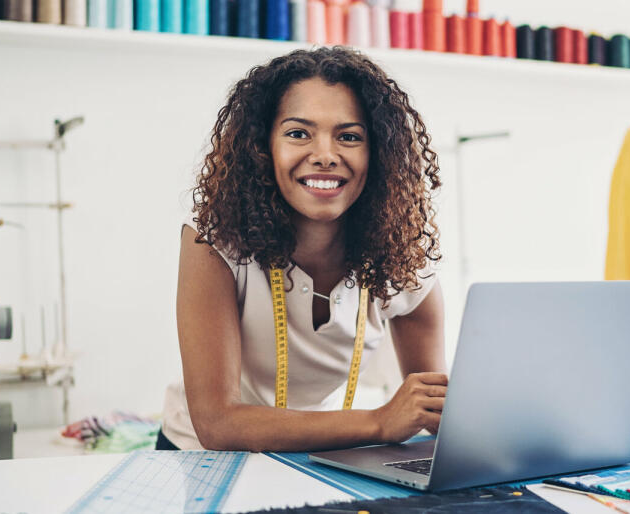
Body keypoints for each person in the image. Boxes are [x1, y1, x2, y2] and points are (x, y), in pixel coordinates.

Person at [159, 47, 447, 452]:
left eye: (349, 136)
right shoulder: (213, 240)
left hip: (315, 451)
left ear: (377, 153)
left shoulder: (399, 260)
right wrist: (379, 422)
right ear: (262, 146)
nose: (326, 155)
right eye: (298, 133)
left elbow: (437, 413)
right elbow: (217, 423)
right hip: (199, 456)